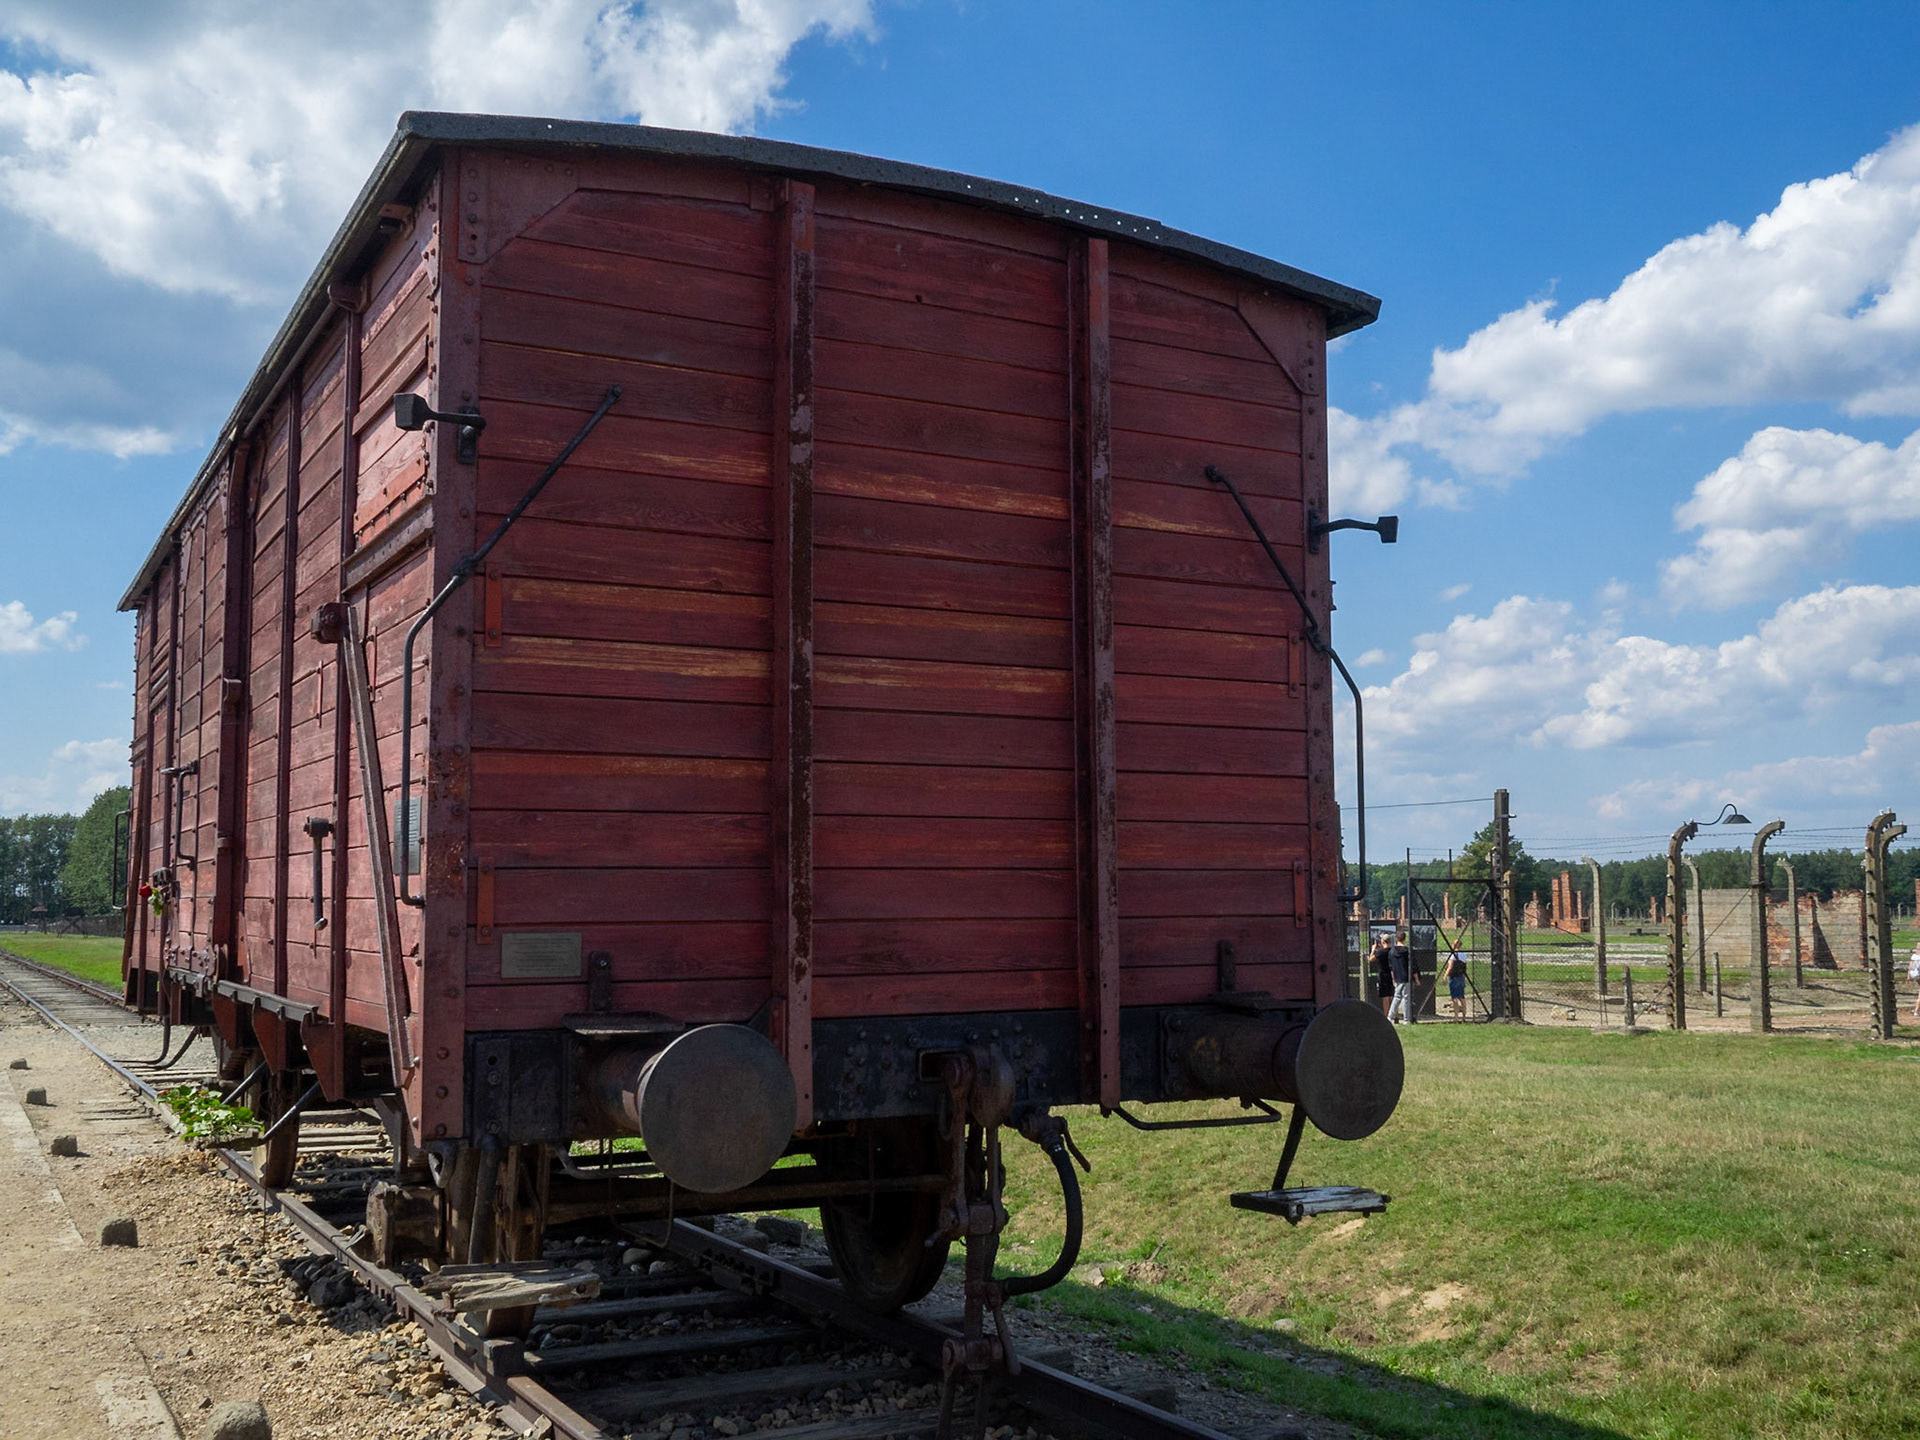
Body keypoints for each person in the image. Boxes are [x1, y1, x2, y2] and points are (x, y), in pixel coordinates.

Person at [1386, 931, 1413, 1024]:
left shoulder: (1392, 951)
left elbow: (1391, 967)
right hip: (1406, 976)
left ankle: (1390, 1016)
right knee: (1406, 998)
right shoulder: (1407, 951)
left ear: (1396, 939)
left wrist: (1393, 978)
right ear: (1404, 939)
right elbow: (1411, 965)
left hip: (1397, 976)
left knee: (1396, 997)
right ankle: (1406, 1019)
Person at [1442, 945, 1468, 1019]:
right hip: (1461, 976)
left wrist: (1445, 976)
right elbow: (1464, 966)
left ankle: (1456, 1017)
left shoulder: (1453, 955)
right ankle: (1464, 1016)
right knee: (1462, 997)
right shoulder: (1463, 954)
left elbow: (1450, 966)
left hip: (1454, 977)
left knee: (1455, 998)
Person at [1372, 935, 1393, 1014]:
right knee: (1392, 995)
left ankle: (1387, 1014)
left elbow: (1371, 959)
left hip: (1383, 975)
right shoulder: (1392, 951)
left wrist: (1373, 949)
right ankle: (1395, 1015)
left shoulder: (1380, 953)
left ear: (1383, 942)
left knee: (1385, 996)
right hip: (1391, 974)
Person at [1908, 942, 1920, 1020]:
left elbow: (1910, 967)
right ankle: (1916, 1011)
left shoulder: (1913, 956)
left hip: (1914, 974)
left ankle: (1917, 1010)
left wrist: (1908, 977)